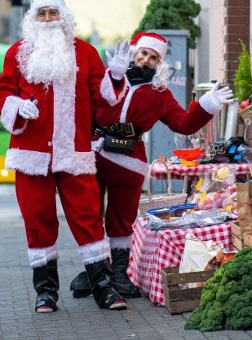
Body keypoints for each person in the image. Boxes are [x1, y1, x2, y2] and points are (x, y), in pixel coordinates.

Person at [0, 0, 133, 313]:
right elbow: (2, 92)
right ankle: (46, 291)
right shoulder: (17, 53)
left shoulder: (85, 53)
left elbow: (104, 99)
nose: (46, 20)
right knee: (37, 220)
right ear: (32, 19)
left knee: (87, 219)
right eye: (40, 14)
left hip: (74, 152)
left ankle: (104, 287)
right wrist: (16, 106)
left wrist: (115, 75)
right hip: (31, 154)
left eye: (52, 14)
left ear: (64, 18)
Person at [70, 31, 234, 299]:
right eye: (143, 54)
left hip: (128, 161)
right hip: (92, 156)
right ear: (134, 52)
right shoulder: (107, 80)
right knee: (88, 215)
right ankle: (96, 271)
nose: (146, 60)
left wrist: (207, 105)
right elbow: (86, 106)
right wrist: (112, 78)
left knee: (121, 220)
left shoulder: (160, 94)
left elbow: (184, 123)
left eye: (153, 57)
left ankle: (120, 275)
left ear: (160, 63)